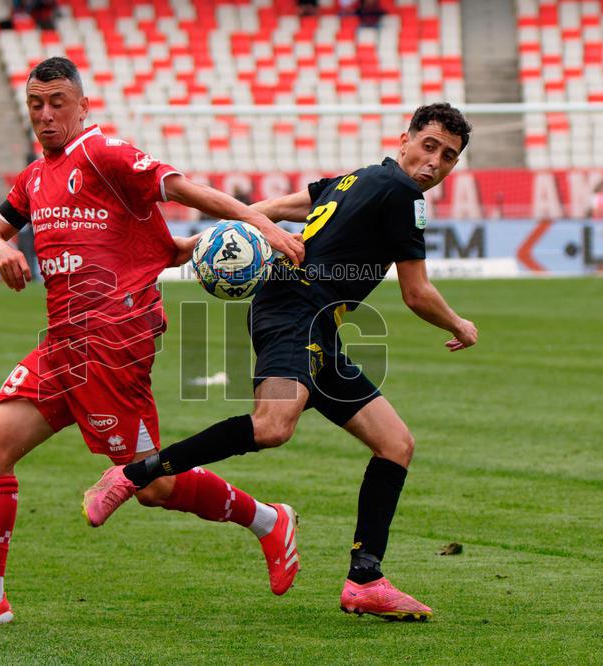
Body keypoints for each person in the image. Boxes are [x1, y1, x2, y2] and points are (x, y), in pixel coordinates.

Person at [0, 57, 306, 625]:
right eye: (35, 105)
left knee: (152, 482)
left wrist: (261, 224)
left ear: (82, 105)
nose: (46, 116)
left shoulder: (104, 154)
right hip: (62, 344)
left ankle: (270, 521)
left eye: (57, 103)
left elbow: (183, 188)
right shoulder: (32, 177)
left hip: (114, 341)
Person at [85, 103, 479, 621]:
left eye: (448, 157)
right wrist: (458, 324)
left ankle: (366, 579)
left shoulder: (355, 179)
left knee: (395, 444)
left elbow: (275, 206)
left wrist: (217, 240)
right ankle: (134, 474)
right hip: (298, 310)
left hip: (313, 319)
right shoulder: (404, 195)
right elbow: (416, 292)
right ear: (404, 139)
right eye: (429, 146)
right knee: (273, 426)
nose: (434, 163)